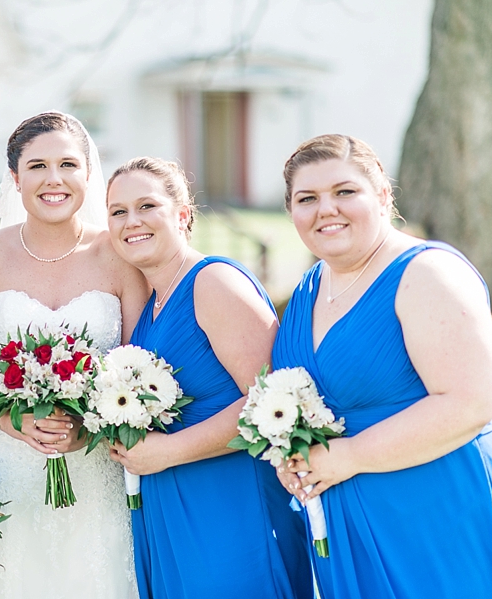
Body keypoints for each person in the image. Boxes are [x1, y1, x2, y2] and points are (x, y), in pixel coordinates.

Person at [273, 134, 492, 598]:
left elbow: (471, 402)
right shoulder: (309, 289)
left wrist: (348, 456)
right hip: (351, 514)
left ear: (383, 195)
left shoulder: (427, 273)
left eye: (345, 192)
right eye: (308, 198)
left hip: (435, 507)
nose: (327, 209)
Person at [0, 112, 148, 598]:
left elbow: (138, 372)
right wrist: (11, 421)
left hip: (97, 469)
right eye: (37, 166)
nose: (54, 179)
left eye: (68, 164)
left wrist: (92, 425)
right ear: (15, 180)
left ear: (88, 175)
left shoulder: (120, 257)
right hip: (3, 471)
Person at [105, 157, 312, 599]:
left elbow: (272, 401)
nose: (131, 221)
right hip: (169, 503)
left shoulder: (214, 281)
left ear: (182, 215)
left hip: (229, 501)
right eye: (118, 211)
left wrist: (166, 451)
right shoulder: (153, 304)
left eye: (147, 206)